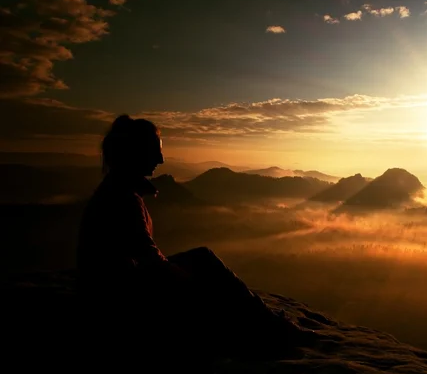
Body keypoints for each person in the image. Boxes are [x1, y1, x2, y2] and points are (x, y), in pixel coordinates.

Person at [76, 114, 316, 356]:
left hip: (113, 288)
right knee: (203, 263)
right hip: (118, 299)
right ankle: (274, 330)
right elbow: (149, 258)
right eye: (154, 151)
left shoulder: (119, 190)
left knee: (201, 258)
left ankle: (268, 325)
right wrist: (193, 288)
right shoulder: (124, 198)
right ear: (136, 152)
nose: (161, 159)